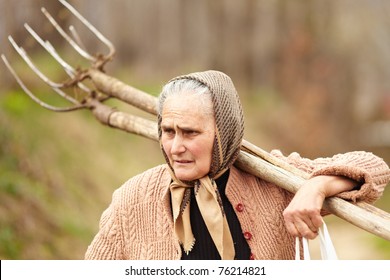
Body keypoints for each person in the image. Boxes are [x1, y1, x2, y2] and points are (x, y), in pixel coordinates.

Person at [85, 70, 390, 260]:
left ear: (224, 131)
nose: (176, 147)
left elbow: (374, 168)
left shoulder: (274, 182)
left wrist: (316, 187)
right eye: (168, 131)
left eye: (190, 132)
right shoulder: (131, 200)